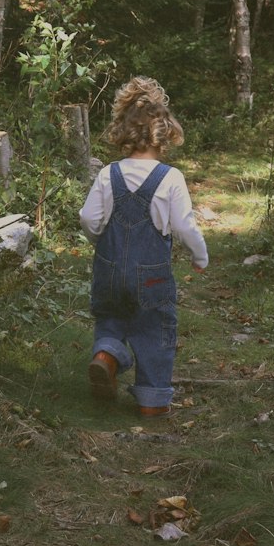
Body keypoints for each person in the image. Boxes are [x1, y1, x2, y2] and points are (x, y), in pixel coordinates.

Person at [79, 77, 208, 418]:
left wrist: (102, 243)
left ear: (124, 133)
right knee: (154, 331)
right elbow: (184, 226)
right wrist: (200, 256)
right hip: (151, 277)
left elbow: (89, 219)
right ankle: (151, 403)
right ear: (164, 135)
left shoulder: (109, 174)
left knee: (110, 319)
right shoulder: (170, 177)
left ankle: (106, 356)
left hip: (109, 270)